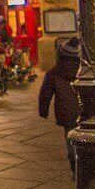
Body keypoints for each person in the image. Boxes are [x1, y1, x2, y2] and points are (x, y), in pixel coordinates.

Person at [39, 37, 82, 177]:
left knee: (70, 136)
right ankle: (84, 164)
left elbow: (44, 94)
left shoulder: (54, 72)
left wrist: (43, 111)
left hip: (66, 110)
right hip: (83, 109)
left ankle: (74, 166)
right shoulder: (82, 71)